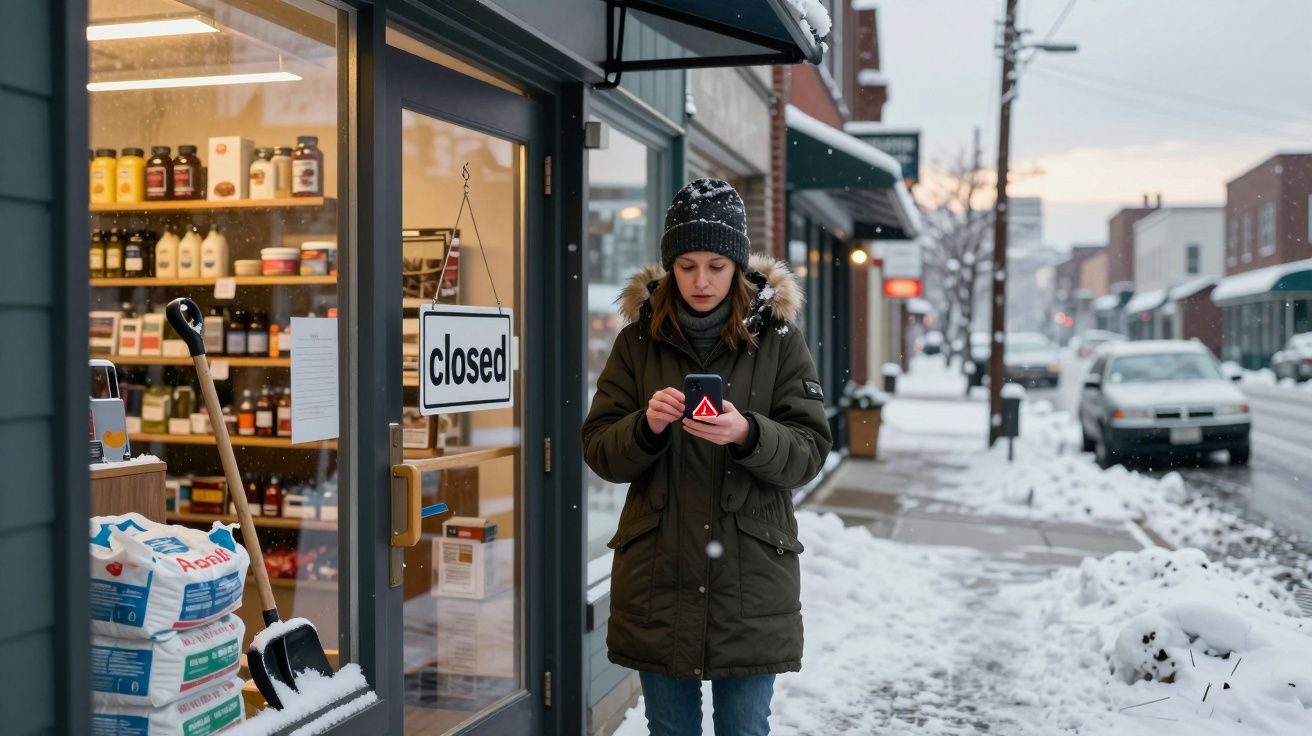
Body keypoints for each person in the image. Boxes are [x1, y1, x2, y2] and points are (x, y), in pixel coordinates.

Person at [582, 179, 833, 735]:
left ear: (738, 268)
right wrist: (645, 428)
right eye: (688, 264)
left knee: (743, 731)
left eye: (716, 265)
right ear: (670, 266)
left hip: (749, 582)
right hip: (659, 579)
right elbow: (600, 449)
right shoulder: (637, 343)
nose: (701, 280)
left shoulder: (780, 341)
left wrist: (748, 434)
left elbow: (810, 449)